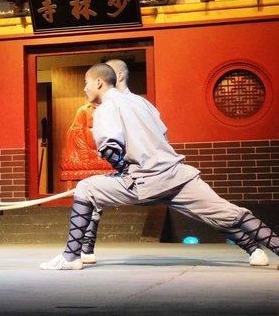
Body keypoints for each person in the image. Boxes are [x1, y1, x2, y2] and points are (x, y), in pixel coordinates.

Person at [41, 63, 277, 270]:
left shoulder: (105, 108)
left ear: (99, 83)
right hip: (176, 175)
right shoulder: (141, 102)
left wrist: (125, 171)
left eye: (86, 83)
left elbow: (109, 148)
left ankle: (71, 256)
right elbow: (163, 133)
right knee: (229, 212)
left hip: (144, 181)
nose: (84, 88)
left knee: (86, 188)